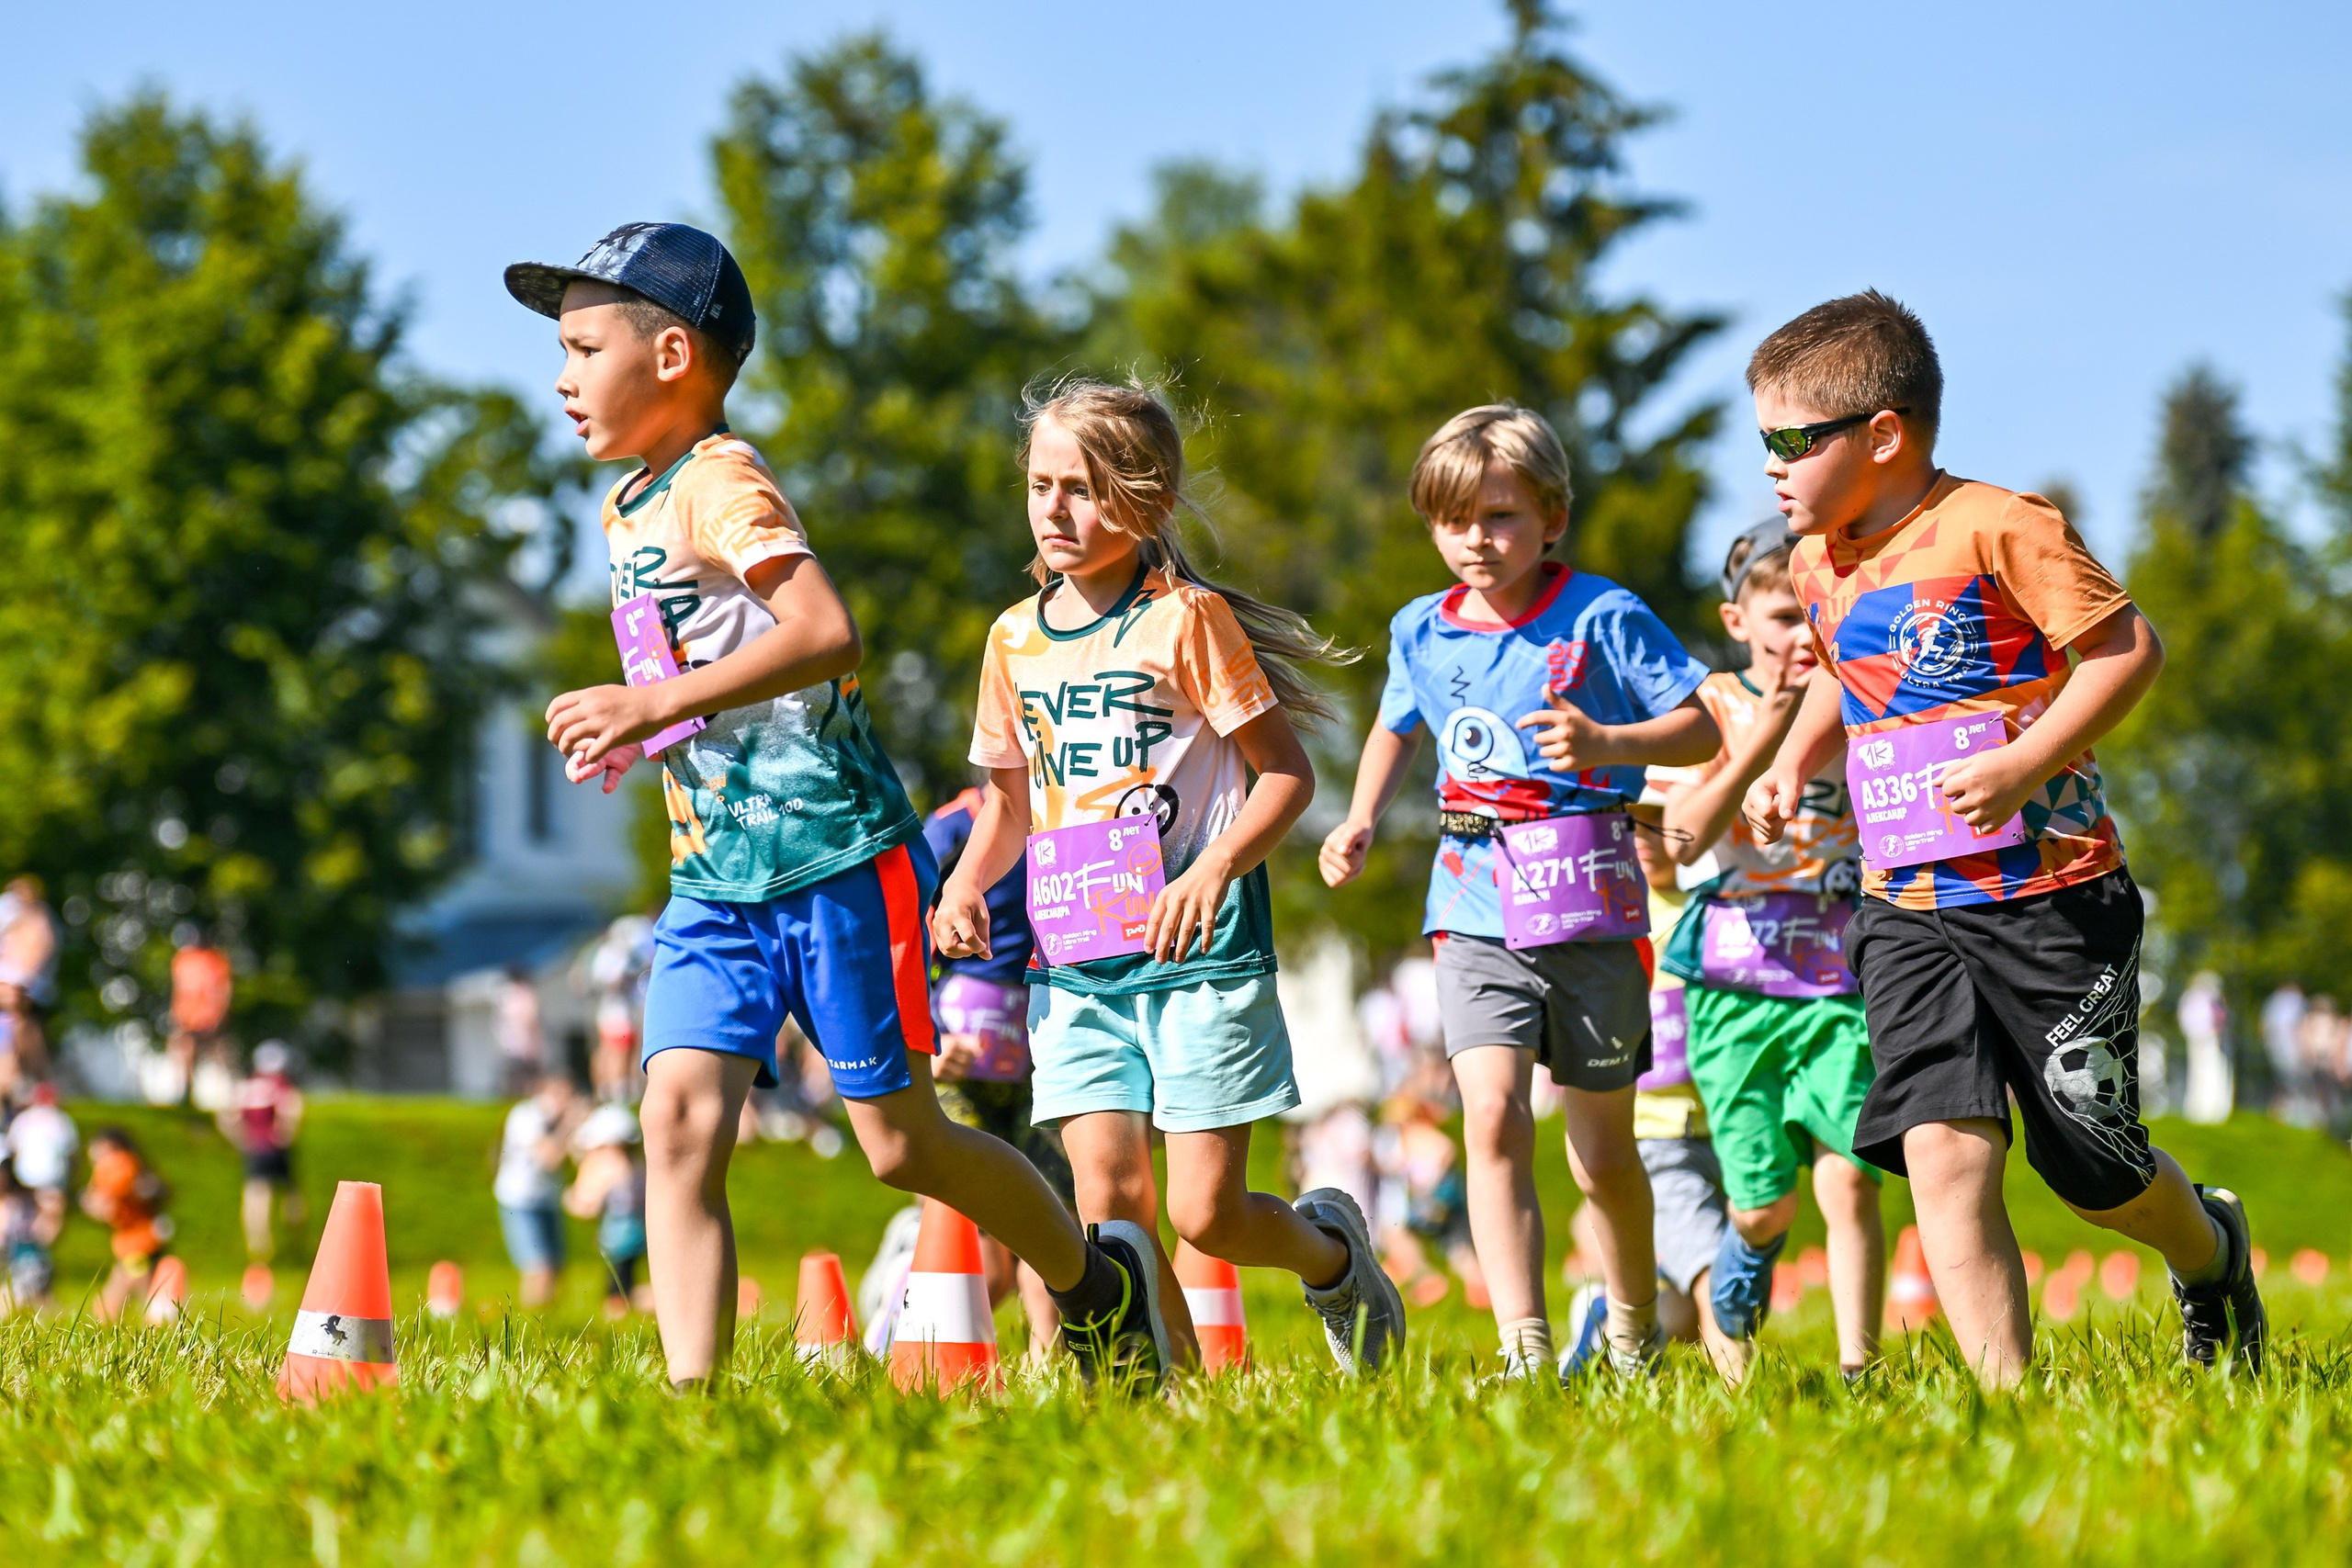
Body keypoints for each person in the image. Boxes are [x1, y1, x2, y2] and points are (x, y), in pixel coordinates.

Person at [516, 222, 1169, 1389]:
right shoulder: (630, 505)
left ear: (671, 355)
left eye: (582, 349)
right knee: (676, 1122)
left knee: (901, 1145)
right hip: (714, 876)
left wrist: (652, 698)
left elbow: (824, 633)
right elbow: (709, 664)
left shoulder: (720, 481)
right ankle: (693, 1403)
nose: (562, 379)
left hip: (836, 862)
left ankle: (1092, 1285)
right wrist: (646, 731)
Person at [1742, 290, 2265, 1382]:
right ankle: (2004, 1410)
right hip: (1904, 904)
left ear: (1882, 435)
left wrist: (2023, 765)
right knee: (1941, 1150)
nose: (1771, 468)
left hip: (2051, 897)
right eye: (1765, 444)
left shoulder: (1998, 525)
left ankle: (2210, 1253)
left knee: (2095, 1172)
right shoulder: (1814, 562)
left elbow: (2127, 651)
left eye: (1791, 441)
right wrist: (1790, 760)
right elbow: (1843, 675)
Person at [932, 377, 1408, 1375]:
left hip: (1200, 959)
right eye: (1041, 485)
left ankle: (1333, 1258)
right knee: (1109, 1206)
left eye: (1083, 489)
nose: (1055, 509)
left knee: (1206, 1214)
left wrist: (1215, 869)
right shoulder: (1011, 639)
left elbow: (1287, 775)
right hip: (1075, 966)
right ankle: (1173, 1394)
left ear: (1144, 503)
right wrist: (966, 882)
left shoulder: (1187, 620)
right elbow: (1009, 807)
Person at [1319, 402, 1718, 1380]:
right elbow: (1395, 728)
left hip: (1590, 908)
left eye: (1499, 516)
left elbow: (1702, 728)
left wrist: (1609, 742)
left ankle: (1632, 1334)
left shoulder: (1603, 615)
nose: (1476, 540)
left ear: (1552, 517)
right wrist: (1360, 816)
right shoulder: (1419, 628)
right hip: (1470, 905)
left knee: (1599, 1155)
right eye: (1453, 520)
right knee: (1490, 1117)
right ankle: (1524, 1347)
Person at [1646, 522, 1885, 1376]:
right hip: (1733, 990)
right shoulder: (1709, 708)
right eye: (1785, 615)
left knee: (1851, 1175)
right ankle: (1747, 1252)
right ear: (1737, 621)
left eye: (1816, 614)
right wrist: (1767, 732)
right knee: (1763, 1203)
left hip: (1840, 981)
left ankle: (1860, 1367)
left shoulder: (1865, 694)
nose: (1801, 634)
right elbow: (1675, 843)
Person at [1562, 790, 1742, 1380]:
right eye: (1632, 825)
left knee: (1684, 1312)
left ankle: (1606, 1317)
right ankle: (1744, 1392)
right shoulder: (1606, 913)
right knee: (1712, 1269)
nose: (1646, 839)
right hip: (1654, 1132)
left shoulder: (1713, 912)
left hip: (1719, 1127)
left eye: (1662, 825)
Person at [922, 784, 1069, 1362]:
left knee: (1054, 1219)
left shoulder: (1064, 820)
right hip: (956, 1071)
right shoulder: (951, 829)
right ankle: (910, 1342)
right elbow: (897, 936)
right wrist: (928, 1039)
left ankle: (1046, 1364)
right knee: (983, 1256)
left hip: (1037, 1065)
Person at [495, 1072, 581, 1307]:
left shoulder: (556, 1120)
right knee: (538, 1266)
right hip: (520, 1199)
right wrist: (570, 1125)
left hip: (547, 1198)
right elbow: (549, 1157)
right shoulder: (526, 1115)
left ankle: (546, 1317)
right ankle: (530, 1319)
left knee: (556, 1266)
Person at [565, 1101, 651, 1319]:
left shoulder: (611, 1166)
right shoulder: (636, 1164)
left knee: (619, 1280)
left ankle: (618, 1312)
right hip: (632, 1228)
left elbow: (587, 1204)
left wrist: (574, 1198)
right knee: (625, 1275)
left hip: (622, 1232)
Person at [220, 1041, 304, 1264]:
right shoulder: (281, 1085)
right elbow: (292, 1110)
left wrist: (241, 1139)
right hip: (276, 1149)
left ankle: (259, 1247)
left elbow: (226, 1118)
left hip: (256, 1149)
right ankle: (295, 1241)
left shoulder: (247, 1086)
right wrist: (285, 1135)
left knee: (256, 1197)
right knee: (291, 1193)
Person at [80, 1126, 169, 1321]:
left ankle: (163, 1324)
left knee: (110, 1307)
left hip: (138, 1244)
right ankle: (163, 1322)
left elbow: (106, 1202)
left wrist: (96, 1203)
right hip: (135, 1243)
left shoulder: (118, 1165)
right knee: (139, 1299)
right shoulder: (125, 1166)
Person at [0, 878, 60, 1084]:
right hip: (16, 989)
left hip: (24, 989)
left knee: (22, 1037)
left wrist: (18, 985)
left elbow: (36, 959)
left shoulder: (39, 923)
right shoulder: (18, 922)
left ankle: (30, 1085)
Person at [6, 1080, 76, 1247]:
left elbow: (12, 1147)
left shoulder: (23, 1118)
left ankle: (19, 1243)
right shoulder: (60, 1119)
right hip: (50, 1175)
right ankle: (39, 1248)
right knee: (52, 1213)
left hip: (24, 1174)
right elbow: (70, 1152)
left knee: (29, 1210)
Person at [168, 931, 234, 1104]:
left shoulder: (215, 960)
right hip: (187, 1015)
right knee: (183, 1050)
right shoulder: (182, 960)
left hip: (208, 1015)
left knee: (218, 1051)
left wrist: (219, 1013)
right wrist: (175, 1012)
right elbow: (179, 988)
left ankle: (229, 1089)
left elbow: (222, 989)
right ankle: (185, 1089)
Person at [0, 1162, 53, 1314]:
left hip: (31, 1263)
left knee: (4, 1305)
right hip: (14, 1266)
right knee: (44, 1309)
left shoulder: (26, 1199)